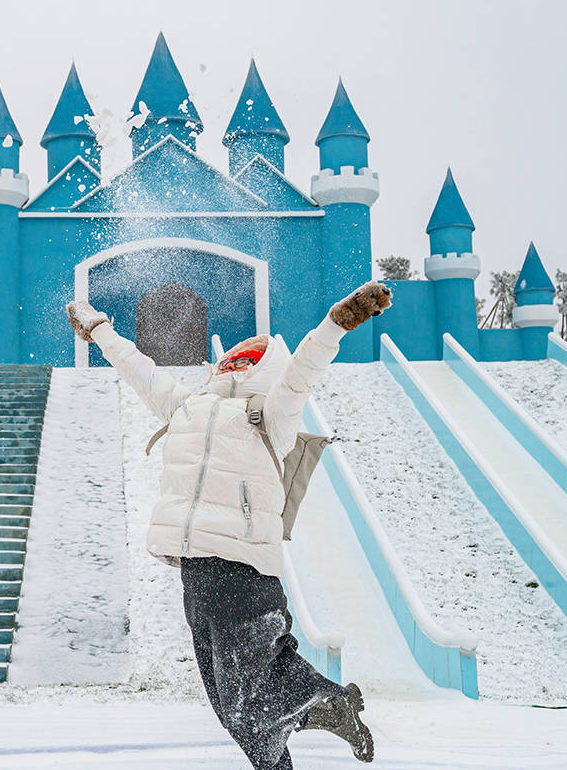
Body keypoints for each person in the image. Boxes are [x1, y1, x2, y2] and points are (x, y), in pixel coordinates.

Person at [66, 281, 392, 768]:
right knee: (231, 704)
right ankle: (324, 712)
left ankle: (327, 703)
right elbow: (139, 370)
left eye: (252, 359)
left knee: (248, 697)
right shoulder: (186, 406)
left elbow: (304, 371)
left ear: (266, 369)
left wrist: (335, 324)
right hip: (194, 567)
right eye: (235, 358)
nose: (238, 363)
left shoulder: (271, 413)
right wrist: (99, 331)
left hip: (242, 564)